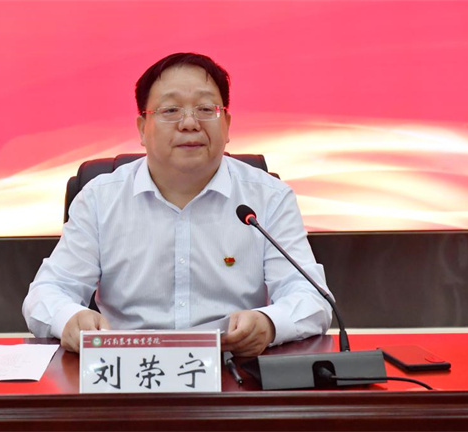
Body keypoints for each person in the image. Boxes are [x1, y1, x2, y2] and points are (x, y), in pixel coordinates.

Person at [23, 53, 332, 355]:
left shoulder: (269, 198)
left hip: (232, 368)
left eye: (205, 109)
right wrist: (70, 319)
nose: (189, 123)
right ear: (142, 128)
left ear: (226, 124)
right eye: (170, 110)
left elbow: (311, 296)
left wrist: (269, 323)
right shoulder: (100, 199)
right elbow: (47, 291)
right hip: (127, 369)